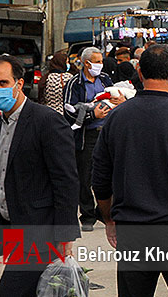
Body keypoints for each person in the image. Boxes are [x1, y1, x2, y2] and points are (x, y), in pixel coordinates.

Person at [92, 43, 168, 297]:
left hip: (133, 231)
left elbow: (100, 178)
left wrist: (109, 219)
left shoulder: (117, 118)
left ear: (140, 73)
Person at [0, 55, 79, 297]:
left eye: (3, 83)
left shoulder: (47, 121)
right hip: (11, 233)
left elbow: (66, 182)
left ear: (19, 83)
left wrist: (65, 235)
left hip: (41, 233)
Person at [62, 46, 114, 232]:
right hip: (87, 135)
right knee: (84, 177)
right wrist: (93, 115)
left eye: (101, 61)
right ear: (86, 63)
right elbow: (68, 114)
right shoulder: (74, 84)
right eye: (97, 61)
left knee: (110, 174)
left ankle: (105, 211)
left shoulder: (106, 79)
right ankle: (88, 215)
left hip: (107, 134)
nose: (101, 65)